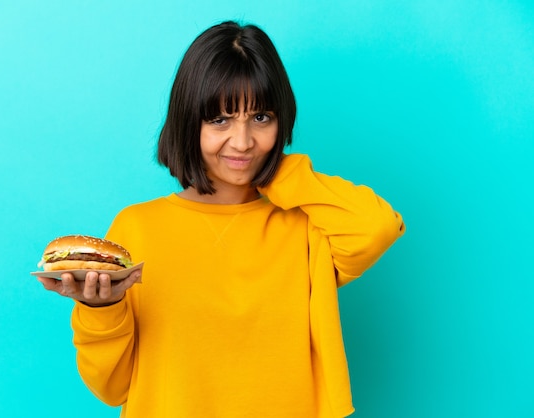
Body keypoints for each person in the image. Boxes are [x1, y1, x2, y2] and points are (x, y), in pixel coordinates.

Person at [37, 20, 405, 418]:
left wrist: (282, 172)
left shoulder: (306, 228)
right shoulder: (138, 228)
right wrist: (102, 310)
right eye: (220, 120)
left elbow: (376, 227)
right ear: (188, 122)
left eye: (261, 118)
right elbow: (112, 388)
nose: (244, 142)